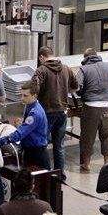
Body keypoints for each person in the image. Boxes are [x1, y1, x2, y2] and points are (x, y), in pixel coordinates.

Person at [77, 48, 108, 172]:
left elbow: (78, 86)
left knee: (87, 137)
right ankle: (107, 164)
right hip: (107, 106)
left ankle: (87, 164)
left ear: (85, 58)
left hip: (90, 107)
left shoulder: (83, 69)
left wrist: (83, 94)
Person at [32, 46, 78, 178]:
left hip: (46, 113)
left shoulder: (41, 70)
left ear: (42, 57)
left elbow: (34, 89)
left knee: (43, 143)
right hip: (62, 111)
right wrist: (63, 91)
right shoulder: (66, 68)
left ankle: (45, 172)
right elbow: (75, 87)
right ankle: (60, 173)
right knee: (59, 145)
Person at [0, 81, 50, 170]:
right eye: (21, 95)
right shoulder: (30, 107)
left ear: (35, 95)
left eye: (25, 96)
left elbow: (19, 134)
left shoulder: (35, 114)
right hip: (29, 150)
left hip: (36, 155)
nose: (22, 98)